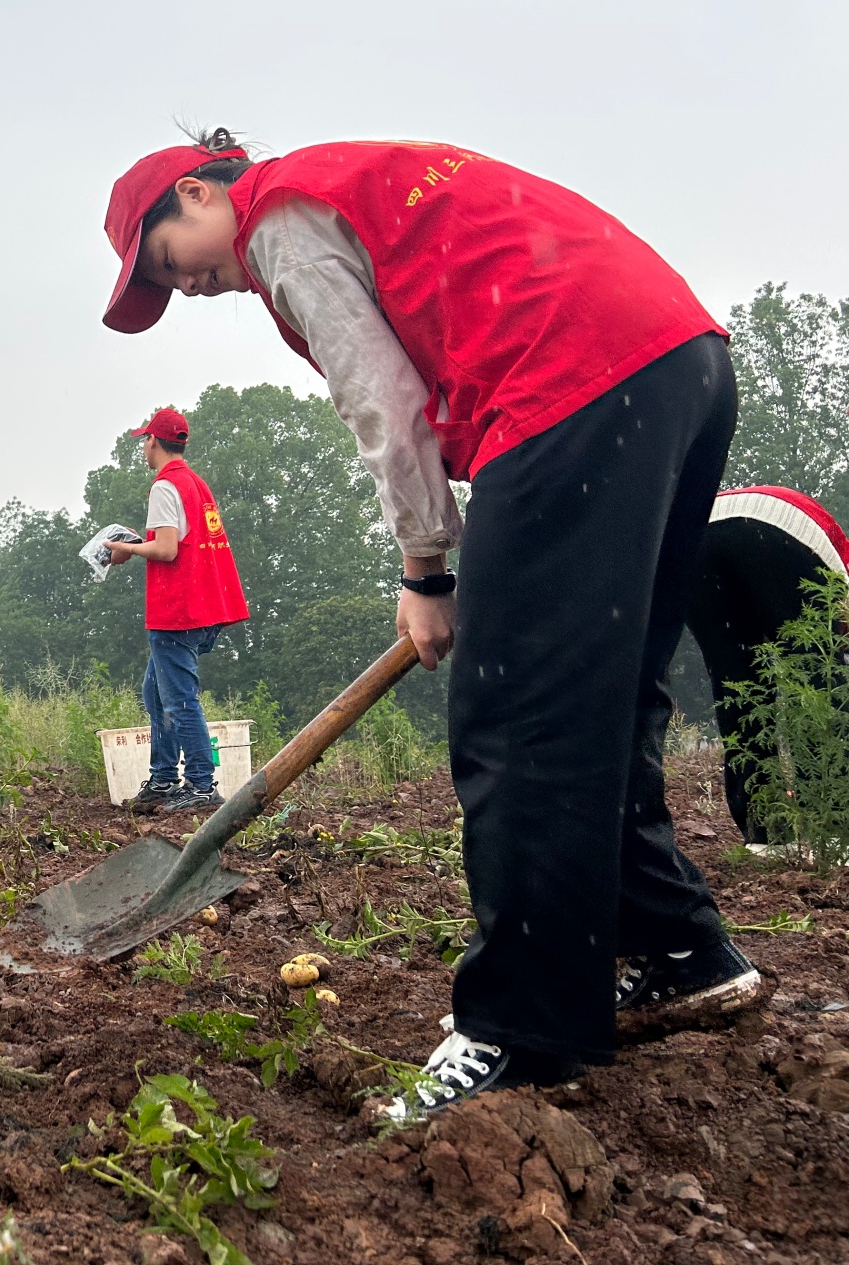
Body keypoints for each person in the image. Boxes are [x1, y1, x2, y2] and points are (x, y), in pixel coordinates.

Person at [102, 129, 765, 1116]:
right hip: (677, 362)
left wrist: (427, 569)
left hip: (569, 376)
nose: (185, 289)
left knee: (516, 716)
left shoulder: (281, 222)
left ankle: (520, 1032)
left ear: (198, 196)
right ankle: (680, 947)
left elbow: (383, 400)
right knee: (605, 694)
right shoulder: (351, 178)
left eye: (167, 262)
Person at [106, 407, 251, 814]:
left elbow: (167, 549)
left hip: (177, 609)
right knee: (155, 694)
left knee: (178, 701)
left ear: (152, 441)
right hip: (206, 605)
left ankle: (202, 786)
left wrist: (126, 549)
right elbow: (186, 541)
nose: (144, 447)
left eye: (144, 440)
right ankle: (165, 779)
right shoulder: (196, 485)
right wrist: (139, 542)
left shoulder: (164, 487)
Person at [685, 486, 848, 845]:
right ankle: (833, 831)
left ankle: (765, 835)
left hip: (695, 537)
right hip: (779, 529)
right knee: (818, 682)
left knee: (737, 685)